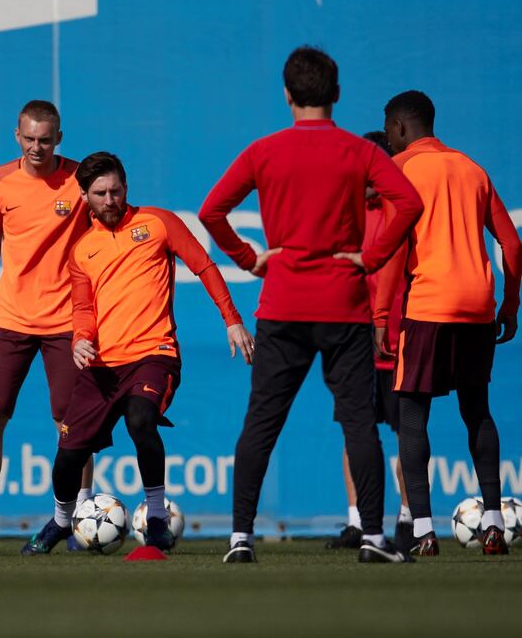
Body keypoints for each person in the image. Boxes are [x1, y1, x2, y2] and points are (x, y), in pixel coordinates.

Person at [199, 46, 423, 564]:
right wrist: (369, 256)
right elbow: (410, 202)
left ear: (287, 95)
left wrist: (250, 259)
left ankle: (240, 539)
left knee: (261, 423)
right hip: (343, 305)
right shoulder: (360, 152)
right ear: (337, 93)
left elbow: (212, 211)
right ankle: (372, 537)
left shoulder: (265, 150)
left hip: (282, 304)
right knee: (358, 423)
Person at [20, 152, 254, 554]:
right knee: (68, 455)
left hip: (153, 352)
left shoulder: (158, 223)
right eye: (100, 193)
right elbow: (83, 309)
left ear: (126, 188)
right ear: (84, 197)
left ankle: (157, 516)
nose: (109, 199)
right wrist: (80, 339)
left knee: (140, 420)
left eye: (115, 190)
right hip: (101, 366)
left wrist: (231, 319)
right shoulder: (81, 251)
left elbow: (205, 266)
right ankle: (61, 522)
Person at [370, 90, 521, 557]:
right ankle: (494, 520)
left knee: (413, 415)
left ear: (397, 128)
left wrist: (380, 316)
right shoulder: (472, 168)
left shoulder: (400, 170)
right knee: (477, 410)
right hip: (477, 305)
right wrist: (510, 305)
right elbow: (512, 246)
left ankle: (422, 531)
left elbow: (394, 248)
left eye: (389, 130)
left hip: (428, 305)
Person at [0, 100, 92, 553]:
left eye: (46, 140)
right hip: (10, 317)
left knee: (72, 426)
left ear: (59, 138)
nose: (37, 147)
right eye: (29, 138)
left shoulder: (80, 180)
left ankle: (80, 522)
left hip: (64, 322)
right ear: (17, 135)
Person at [325, 131, 413, 554]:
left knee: (407, 432)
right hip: (355, 334)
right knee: (354, 429)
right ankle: (358, 522)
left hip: (402, 335)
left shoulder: (404, 210)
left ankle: (408, 519)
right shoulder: (344, 211)